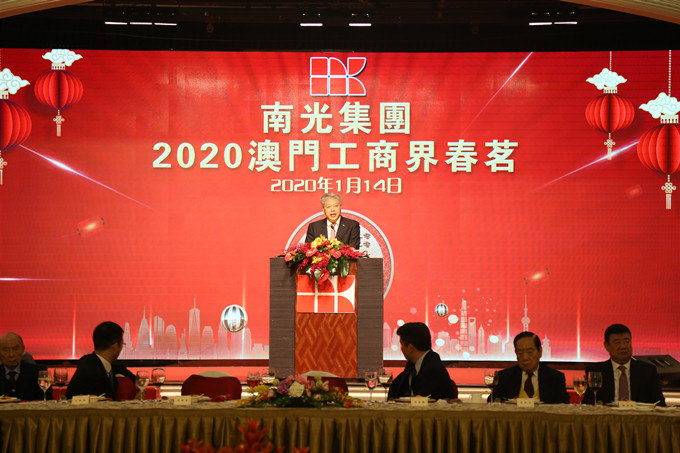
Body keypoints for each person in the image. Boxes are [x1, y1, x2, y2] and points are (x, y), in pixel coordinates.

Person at [583, 323, 665, 405]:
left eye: (627, 341)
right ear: (607, 346)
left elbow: (660, 403)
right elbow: (588, 404)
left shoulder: (647, 371)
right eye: (617, 342)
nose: (623, 346)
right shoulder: (596, 371)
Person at [491, 331, 569, 404]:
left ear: (540, 351)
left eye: (530, 352)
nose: (525, 357)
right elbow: (493, 402)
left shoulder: (555, 377)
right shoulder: (504, 377)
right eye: (520, 353)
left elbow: (564, 406)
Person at [387, 322, 458, 400]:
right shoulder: (412, 364)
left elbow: (423, 402)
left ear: (410, 348)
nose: (401, 349)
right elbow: (395, 389)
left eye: (402, 345)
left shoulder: (433, 370)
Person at [66, 321, 136, 400]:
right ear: (115, 347)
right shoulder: (90, 371)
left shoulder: (104, 364)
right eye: (122, 344)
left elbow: (135, 379)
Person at [0, 332, 51, 400]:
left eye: (15, 349)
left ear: (23, 349)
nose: (11, 355)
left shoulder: (38, 373)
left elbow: (48, 401)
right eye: (5, 350)